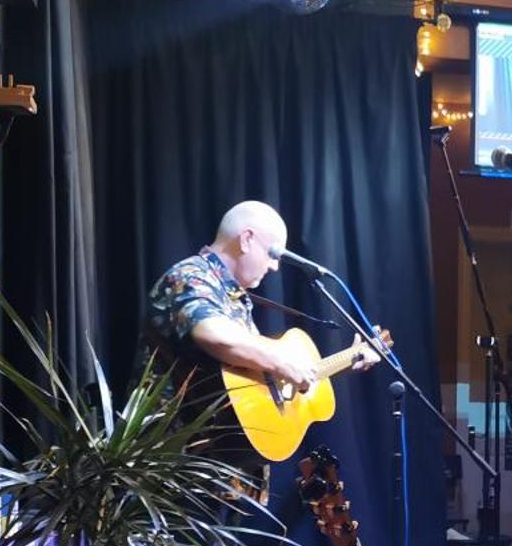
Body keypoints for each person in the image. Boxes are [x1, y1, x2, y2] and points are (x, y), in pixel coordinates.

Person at [145, 200, 386, 466]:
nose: (274, 267)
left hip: (217, 463)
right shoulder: (189, 277)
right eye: (273, 254)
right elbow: (215, 336)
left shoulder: (234, 296)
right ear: (246, 239)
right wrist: (282, 362)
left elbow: (251, 380)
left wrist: (349, 359)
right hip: (170, 463)